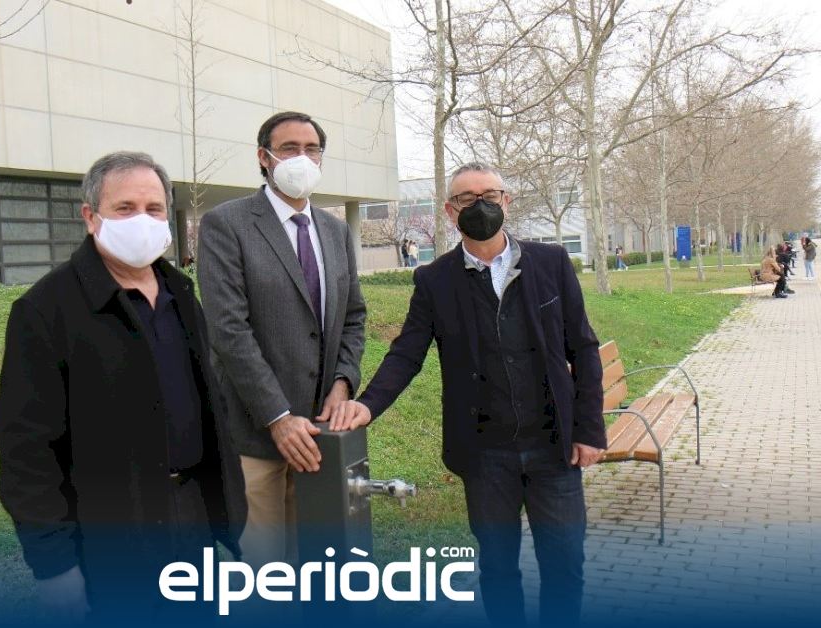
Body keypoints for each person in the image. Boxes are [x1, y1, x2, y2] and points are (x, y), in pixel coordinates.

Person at [329, 162, 606, 626]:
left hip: (553, 449)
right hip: (485, 455)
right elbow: (406, 354)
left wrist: (590, 430)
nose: (480, 206)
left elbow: (583, 347)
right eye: (466, 199)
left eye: (489, 196)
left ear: (506, 201)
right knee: (497, 570)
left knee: (565, 568)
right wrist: (367, 404)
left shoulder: (551, 262)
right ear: (449, 211)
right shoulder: (434, 280)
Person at [0, 152, 246, 622]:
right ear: (91, 217)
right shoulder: (46, 310)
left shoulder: (181, 295)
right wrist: (54, 567)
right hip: (112, 540)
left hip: (194, 520)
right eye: (125, 208)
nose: (142, 221)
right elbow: (27, 451)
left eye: (154, 209)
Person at [198, 111, 367, 569]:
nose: (302, 158)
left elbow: (353, 318)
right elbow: (228, 330)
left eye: (312, 149)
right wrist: (277, 417)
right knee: (262, 573)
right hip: (255, 435)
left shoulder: (334, 231)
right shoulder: (226, 224)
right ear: (264, 157)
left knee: (315, 568)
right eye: (289, 148)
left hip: (320, 435)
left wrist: (342, 384)